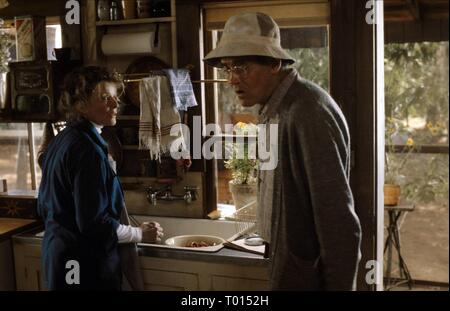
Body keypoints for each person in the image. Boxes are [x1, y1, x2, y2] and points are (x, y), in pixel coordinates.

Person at [204, 12, 362, 291]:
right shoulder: (274, 109)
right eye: (228, 68)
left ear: (274, 63)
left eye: (241, 67)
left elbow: (339, 225)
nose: (232, 80)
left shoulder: (307, 111)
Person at [37, 66, 163, 290]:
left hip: (60, 256)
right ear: (80, 105)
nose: (115, 105)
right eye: (105, 98)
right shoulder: (87, 150)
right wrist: (139, 233)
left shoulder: (64, 139)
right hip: (82, 263)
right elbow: (94, 224)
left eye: (115, 97)